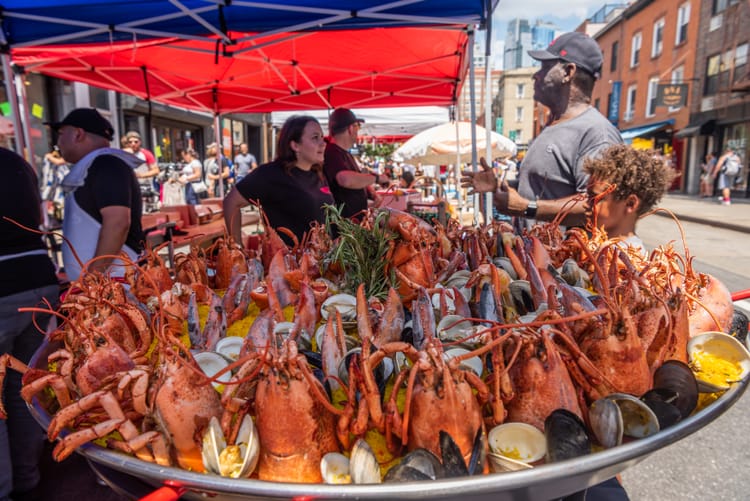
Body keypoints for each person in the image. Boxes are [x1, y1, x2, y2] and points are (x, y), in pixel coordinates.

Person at [461, 32, 622, 227]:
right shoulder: (553, 124)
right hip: (532, 253)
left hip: (563, 256)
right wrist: (498, 187)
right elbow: (541, 191)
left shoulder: (597, 133)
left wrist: (526, 208)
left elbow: (600, 208)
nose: (535, 75)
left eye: (545, 67)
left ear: (568, 72)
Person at [0, 147, 60, 501]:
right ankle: (26, 476)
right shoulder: (16, 163)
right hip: (39, 278)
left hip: (4, 285)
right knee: (21, 386)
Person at [46, 108, 144, 281]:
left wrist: (93, 277)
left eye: (61, 134)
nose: (58, 143)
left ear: (78, 134)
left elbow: (117, 223)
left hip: (115, 286)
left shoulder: (106, 164)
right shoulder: (94, 166)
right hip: (100, 289)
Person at [223, 115, 334, 247]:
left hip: (323, 260)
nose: (323, 143)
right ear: (295, 145)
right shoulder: (271, 174)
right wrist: (237, 246)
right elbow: (231, 202)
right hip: (289, 263)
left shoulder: (317, 174)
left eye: (322, 137)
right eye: (315, 137)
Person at [584, 144, 675, 254]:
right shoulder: (599, 247)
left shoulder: (628, 262)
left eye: (596, 198)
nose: (585, 204)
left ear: (630, 204)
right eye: (588, 196)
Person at [323, 108, 382, 219]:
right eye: (357, 126)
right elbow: (345, 179)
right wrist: (377, 178)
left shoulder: (344, 154)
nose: (357, 131)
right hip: (342, 229)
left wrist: (370, 193)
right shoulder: (331, 153)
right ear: (351, 129)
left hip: (353, 225)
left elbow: (354, 178)